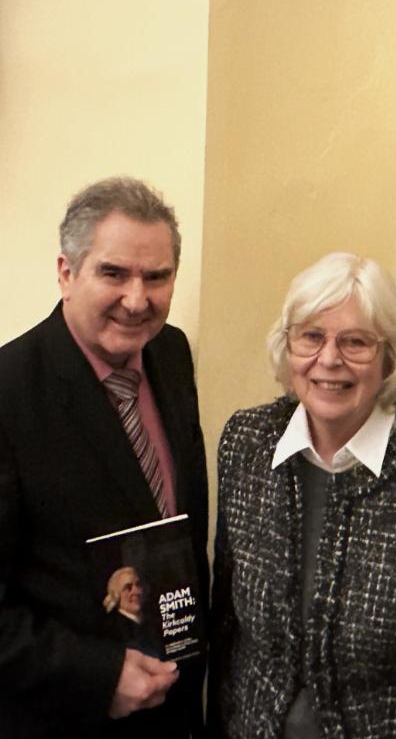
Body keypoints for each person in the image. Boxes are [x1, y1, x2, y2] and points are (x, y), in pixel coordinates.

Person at [209, 252, 396, 739]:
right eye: (311, 337)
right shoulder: (246, 444)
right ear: (287, 348)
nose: (329, 360)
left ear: (390, 357)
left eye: (355, 342)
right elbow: (227, 623)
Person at [0, 177, 209, 738]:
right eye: (113, 273)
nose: (137, 300)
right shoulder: (9, 393)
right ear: (66, 273)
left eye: (156, 277)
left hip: (175, 708)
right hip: (65, 718)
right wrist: (97, 676)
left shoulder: (170, 353)